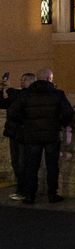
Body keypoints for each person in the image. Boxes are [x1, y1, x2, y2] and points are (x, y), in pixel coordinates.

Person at [7, 66, 75, 204]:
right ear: (49, 79)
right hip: (51, 135)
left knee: (31, 165)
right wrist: (60, 124)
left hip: (31, 135)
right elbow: (68, 113)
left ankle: (30, 195)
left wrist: (26, 122)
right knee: (52, 165)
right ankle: (52, 194)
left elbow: (12, 112)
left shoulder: (26, 95)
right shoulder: (57, 94)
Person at [2, 71, 35, 200]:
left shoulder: (29, 94)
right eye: (21, 79)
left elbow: (18, 99)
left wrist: (9, 89)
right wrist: (4, 90)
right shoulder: (18, 93)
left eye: (25, 80)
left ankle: (23, 190)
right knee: (16, 162)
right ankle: (20, 188)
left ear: (32, 81)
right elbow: (6, 103)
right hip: (14, 132)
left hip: (23, 134)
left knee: (22, 163)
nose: (22, 82)